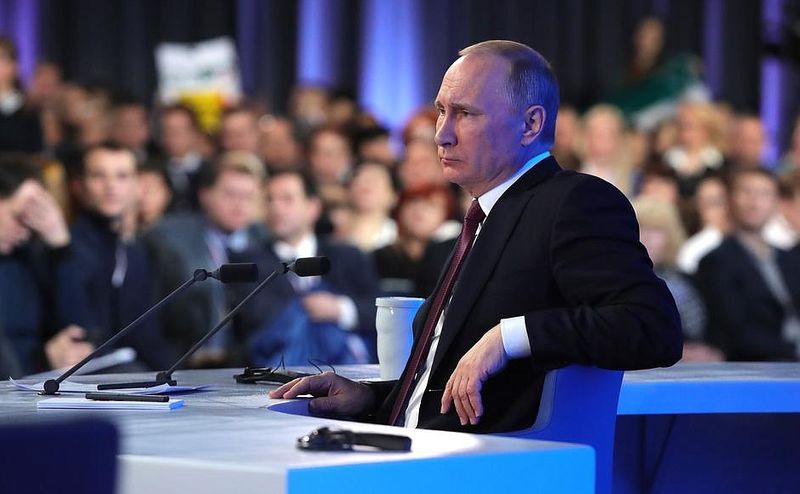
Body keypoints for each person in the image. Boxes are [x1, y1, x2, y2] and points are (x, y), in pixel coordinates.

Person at [271, 40, 682, 433]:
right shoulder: (484, 216)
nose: (442, 134)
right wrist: (370, 397)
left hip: (485, 461)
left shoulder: (573, 203)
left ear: (531, 124)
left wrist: (509, 336)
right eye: (441, 111)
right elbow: (442, 387)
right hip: (414, 446)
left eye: (465, 113)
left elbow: (651, 327)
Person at [243, 170, 380, 366]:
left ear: (312, 207)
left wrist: (341, 309)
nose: (276, 208)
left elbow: (379, 309)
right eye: (270, 200)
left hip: (349, 371)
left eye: (287, 199)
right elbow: (255, 322)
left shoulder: (348, 255)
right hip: (278, 369)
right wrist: (303, 309)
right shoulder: (249, 262)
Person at [144, 154, 267, 365]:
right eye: (230, 194)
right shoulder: (169, 238)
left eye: (248, 196)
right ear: (205, 194)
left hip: (248, 362)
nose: (239, 205)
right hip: (182, 360)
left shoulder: (264, 241)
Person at [69, 143, 177, 370]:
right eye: (98, 176)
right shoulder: (67, 247)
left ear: (137, 185)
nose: (111, 186)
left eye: (122, 176)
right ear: (79, 185)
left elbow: (145, 333)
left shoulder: (135, 251)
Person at [0, 154, 91, 375]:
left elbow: (77, 329)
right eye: (20, 217)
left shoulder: (27, 257)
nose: (25, 232)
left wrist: (60, 245)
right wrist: (42, 359)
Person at [696, 169, 800, 361]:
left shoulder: (790, 258)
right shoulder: (716, 261)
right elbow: (737, 333)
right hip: (760, 365)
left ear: (776, 203)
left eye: (764, 194)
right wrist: (793, 350)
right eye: (745, 192)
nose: (754, 202)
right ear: (730, 199)